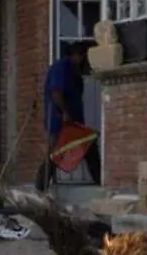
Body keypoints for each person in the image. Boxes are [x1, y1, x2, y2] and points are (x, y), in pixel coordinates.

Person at [38, 41, 100, 191]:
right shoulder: (61, 68)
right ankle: (40, 187)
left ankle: (99, 180)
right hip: (60, 121)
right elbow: (56, 92)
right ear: (79, 56)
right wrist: (65, 112)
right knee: (54, 154)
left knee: (89, 147)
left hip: (74, 122)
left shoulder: (74, 72)